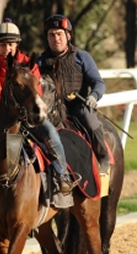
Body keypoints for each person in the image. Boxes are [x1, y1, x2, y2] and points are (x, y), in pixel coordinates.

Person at [0, 18, 76, 197]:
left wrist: (26, 112)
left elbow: (37, 91)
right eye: (3, 44)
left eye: (10, 44)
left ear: (17, 44)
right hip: (1, 122)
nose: (7, 48)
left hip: (28, 120)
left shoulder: (29, 64)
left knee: (51, 134)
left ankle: (62, 176)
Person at [37, 14, 110, 175]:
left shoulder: (82, 57)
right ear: (47, 38)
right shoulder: (39, 63)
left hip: (78, 108)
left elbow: (98, 83)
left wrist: (93, 96)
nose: (56, 38)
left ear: (68, 36)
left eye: (59, 34)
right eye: (51, 35)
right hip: (50, 111)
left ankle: (103, 157)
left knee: (88, 117)